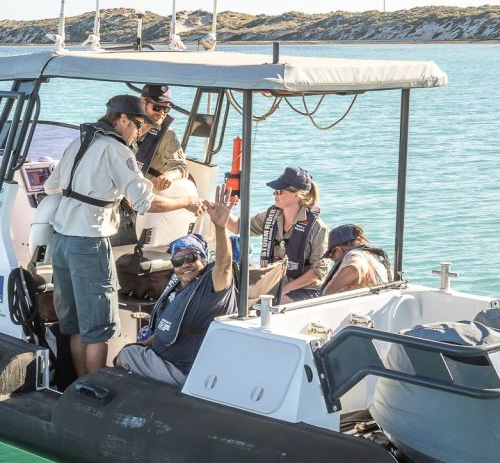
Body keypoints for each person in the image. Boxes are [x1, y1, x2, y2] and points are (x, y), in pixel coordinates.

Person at [42, 94, 205, 378]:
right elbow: (147, 202)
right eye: (137, 124)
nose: (140, 131)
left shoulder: (78, 142)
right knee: (99, 329)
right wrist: (186, 203)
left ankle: (81, 387)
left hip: (62, 242)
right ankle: (95, 390)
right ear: (120, 119)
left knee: (79, 325)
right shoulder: (118, 150)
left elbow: (50, 186)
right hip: (89, 243)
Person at [117, 184, 238, 386]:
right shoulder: (180, 288)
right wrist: (144, 344)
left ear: (204, 258)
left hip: (183, 371)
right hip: (166, 359)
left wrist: (220, 226)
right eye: (178, 261)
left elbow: (224, 266)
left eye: (191, 257)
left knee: (123, 357)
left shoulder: (212, 284)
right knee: (132, 349)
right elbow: (169, 331)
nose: (185, 265)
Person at [226, 165, 330, 302]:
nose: (275, 194)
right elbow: (238, 227)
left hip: (305, 290)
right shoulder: (271, 216)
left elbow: (319, 270)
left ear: (297, 195)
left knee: (282, 300)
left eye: (280, 191)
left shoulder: (318, 228)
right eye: (275, 191)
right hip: (274, 287)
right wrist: (223, 211)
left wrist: (286, 289)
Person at [133, 83, 188, 191]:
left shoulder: (167, 135)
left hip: (144, 193)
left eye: (166, 109)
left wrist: (168, 176)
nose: (162, 113)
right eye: (157, 107)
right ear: (143, 101)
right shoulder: (125, 125)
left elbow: (181, 167)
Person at [320, 224, 391, 296]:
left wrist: (327, 292)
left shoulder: (354, 255)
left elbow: (355, 266)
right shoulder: (373, 256)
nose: (333, 260)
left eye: (332, 256)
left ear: (338, 250)